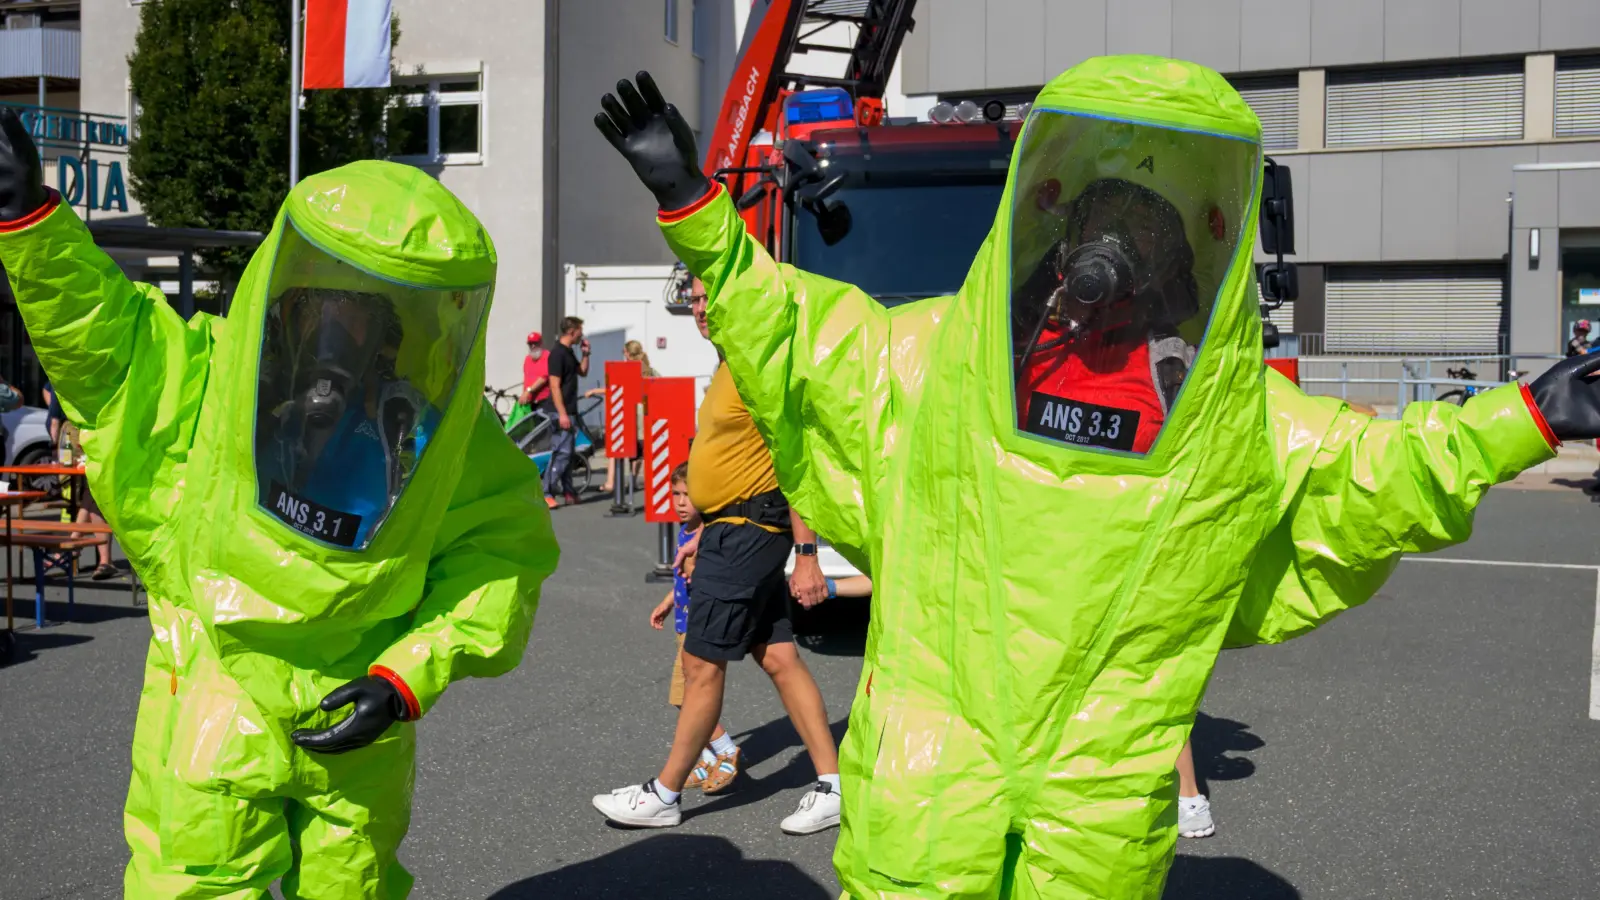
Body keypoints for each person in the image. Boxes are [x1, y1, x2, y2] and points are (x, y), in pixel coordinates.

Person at [594, 61, 1600, 897]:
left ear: (1184, 251)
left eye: (1145, 224)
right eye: (1103, 214)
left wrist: (1525, 417)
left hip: (1099, 773)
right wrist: (694, 207)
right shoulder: (950, 359)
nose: (1117, 244)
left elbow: (1382, 468)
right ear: (1056, 225)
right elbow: (795, 328)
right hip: (934, 748)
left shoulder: (1211, 407)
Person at [0, 110, 558, 897]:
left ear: (397, 334)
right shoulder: (213, 386)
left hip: (354, 714)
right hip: (219, 695)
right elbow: (108, 345)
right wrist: (30, 224)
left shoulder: (433, 443)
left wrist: (403, 679)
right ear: (284, 304)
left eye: (362, 315)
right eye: (322, 308)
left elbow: (500, 562)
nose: (336, 336)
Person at [591, 276, 843, 834]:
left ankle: (665, 793)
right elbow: (734, 458)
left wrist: (807, 552)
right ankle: (833, 786)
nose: (699, 309)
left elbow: (792, 459)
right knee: (778, 657)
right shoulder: (731, 365)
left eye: (710, 299)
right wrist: (707, 525)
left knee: (701, 663)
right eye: (696, 301)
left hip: (751, 531)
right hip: (734, 527)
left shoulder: (756, 364)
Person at [647, 462, 741, 792]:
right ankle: (703, 759)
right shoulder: (686, 534)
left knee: (685, 697)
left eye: (689, 495)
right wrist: (668, 601)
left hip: (697, 630)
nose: (681, 501)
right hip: (684, 624)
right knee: (682, 697)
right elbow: (682, 580)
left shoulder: (705, 538)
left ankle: (726, 750)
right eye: (676, 494)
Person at [542, 315, 590, 508]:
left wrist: (586, 354)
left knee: (569, 454)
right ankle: (546, 492)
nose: (582, 334)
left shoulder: (569, 352)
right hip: (559, 411)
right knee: (561, 453)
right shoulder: (557, 354)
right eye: (580, 330)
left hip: (570, 410)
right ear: (572, 331)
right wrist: (562, 414)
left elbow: (582, 372)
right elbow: (554, 386)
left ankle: (569, 491)